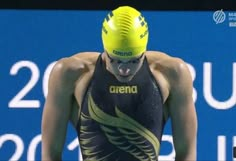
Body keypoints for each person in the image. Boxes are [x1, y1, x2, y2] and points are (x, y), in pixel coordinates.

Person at [41, 6, 197, 161]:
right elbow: (51, 154)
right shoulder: (70, 74)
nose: (124, 69)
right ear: (105, 48)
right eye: (115, 60)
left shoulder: (172, 74)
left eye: (134, 61)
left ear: (144, 51)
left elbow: (186, 152)